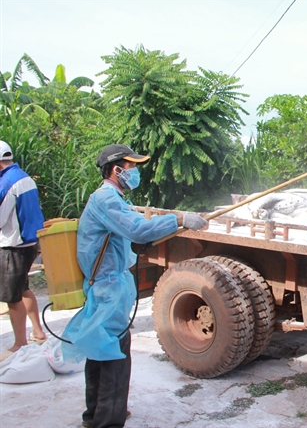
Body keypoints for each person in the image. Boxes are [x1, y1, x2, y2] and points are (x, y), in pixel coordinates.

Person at [62, 144, 208, 428]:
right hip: (108, 286)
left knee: (101, 349)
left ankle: (95, 415)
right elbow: (138, 229)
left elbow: (132, 235)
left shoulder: (111, 198)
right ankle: (108, 420)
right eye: (131, 167)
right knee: (113, 354)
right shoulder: (107, 199)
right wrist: (180, 218)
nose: (135, 172)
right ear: (116, 170)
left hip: (106, 284)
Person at [0, 140, 48, 362]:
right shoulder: (24, 177)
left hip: (13, 246)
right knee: (23, 287)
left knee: (12, 296)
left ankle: (19, 343)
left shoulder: (6, 183)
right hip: (30, 243)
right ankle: (38, 332)